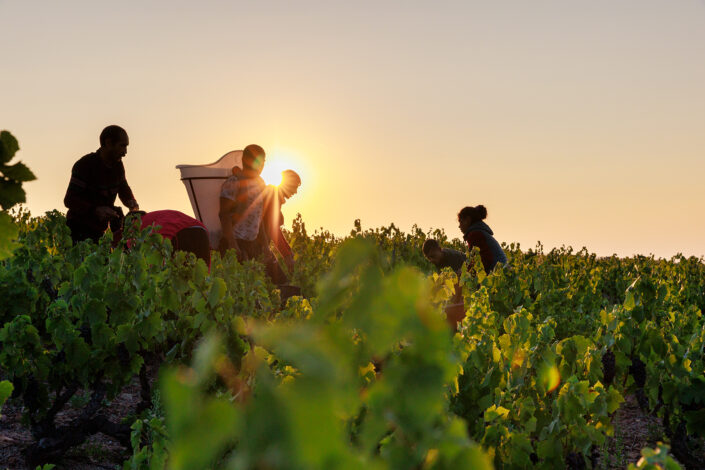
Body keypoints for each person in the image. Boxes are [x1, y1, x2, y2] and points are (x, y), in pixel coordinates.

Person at [64, 125, 139, 243]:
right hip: (79, 231)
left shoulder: (118, 166)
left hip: (101, 232)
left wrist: (132, 204)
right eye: (122, 146)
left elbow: (123, 187)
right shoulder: (85, 165)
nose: (125, 152)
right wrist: (96, 210)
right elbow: (69, 200)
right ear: (108, 143)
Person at [137, 210, 211, 268]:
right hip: (201, 231)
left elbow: (161, 236)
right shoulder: (154, 216)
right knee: (200, 280)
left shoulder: (132, 227)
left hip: (178, 234)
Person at [457, 205, 507, 274]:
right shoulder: (479, 231)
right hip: (501, 272)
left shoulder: (475, 234)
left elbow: (485, 260)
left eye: (461, 222)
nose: (459, 226)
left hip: (498, 274)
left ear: (468, 220)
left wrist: (467, 273)